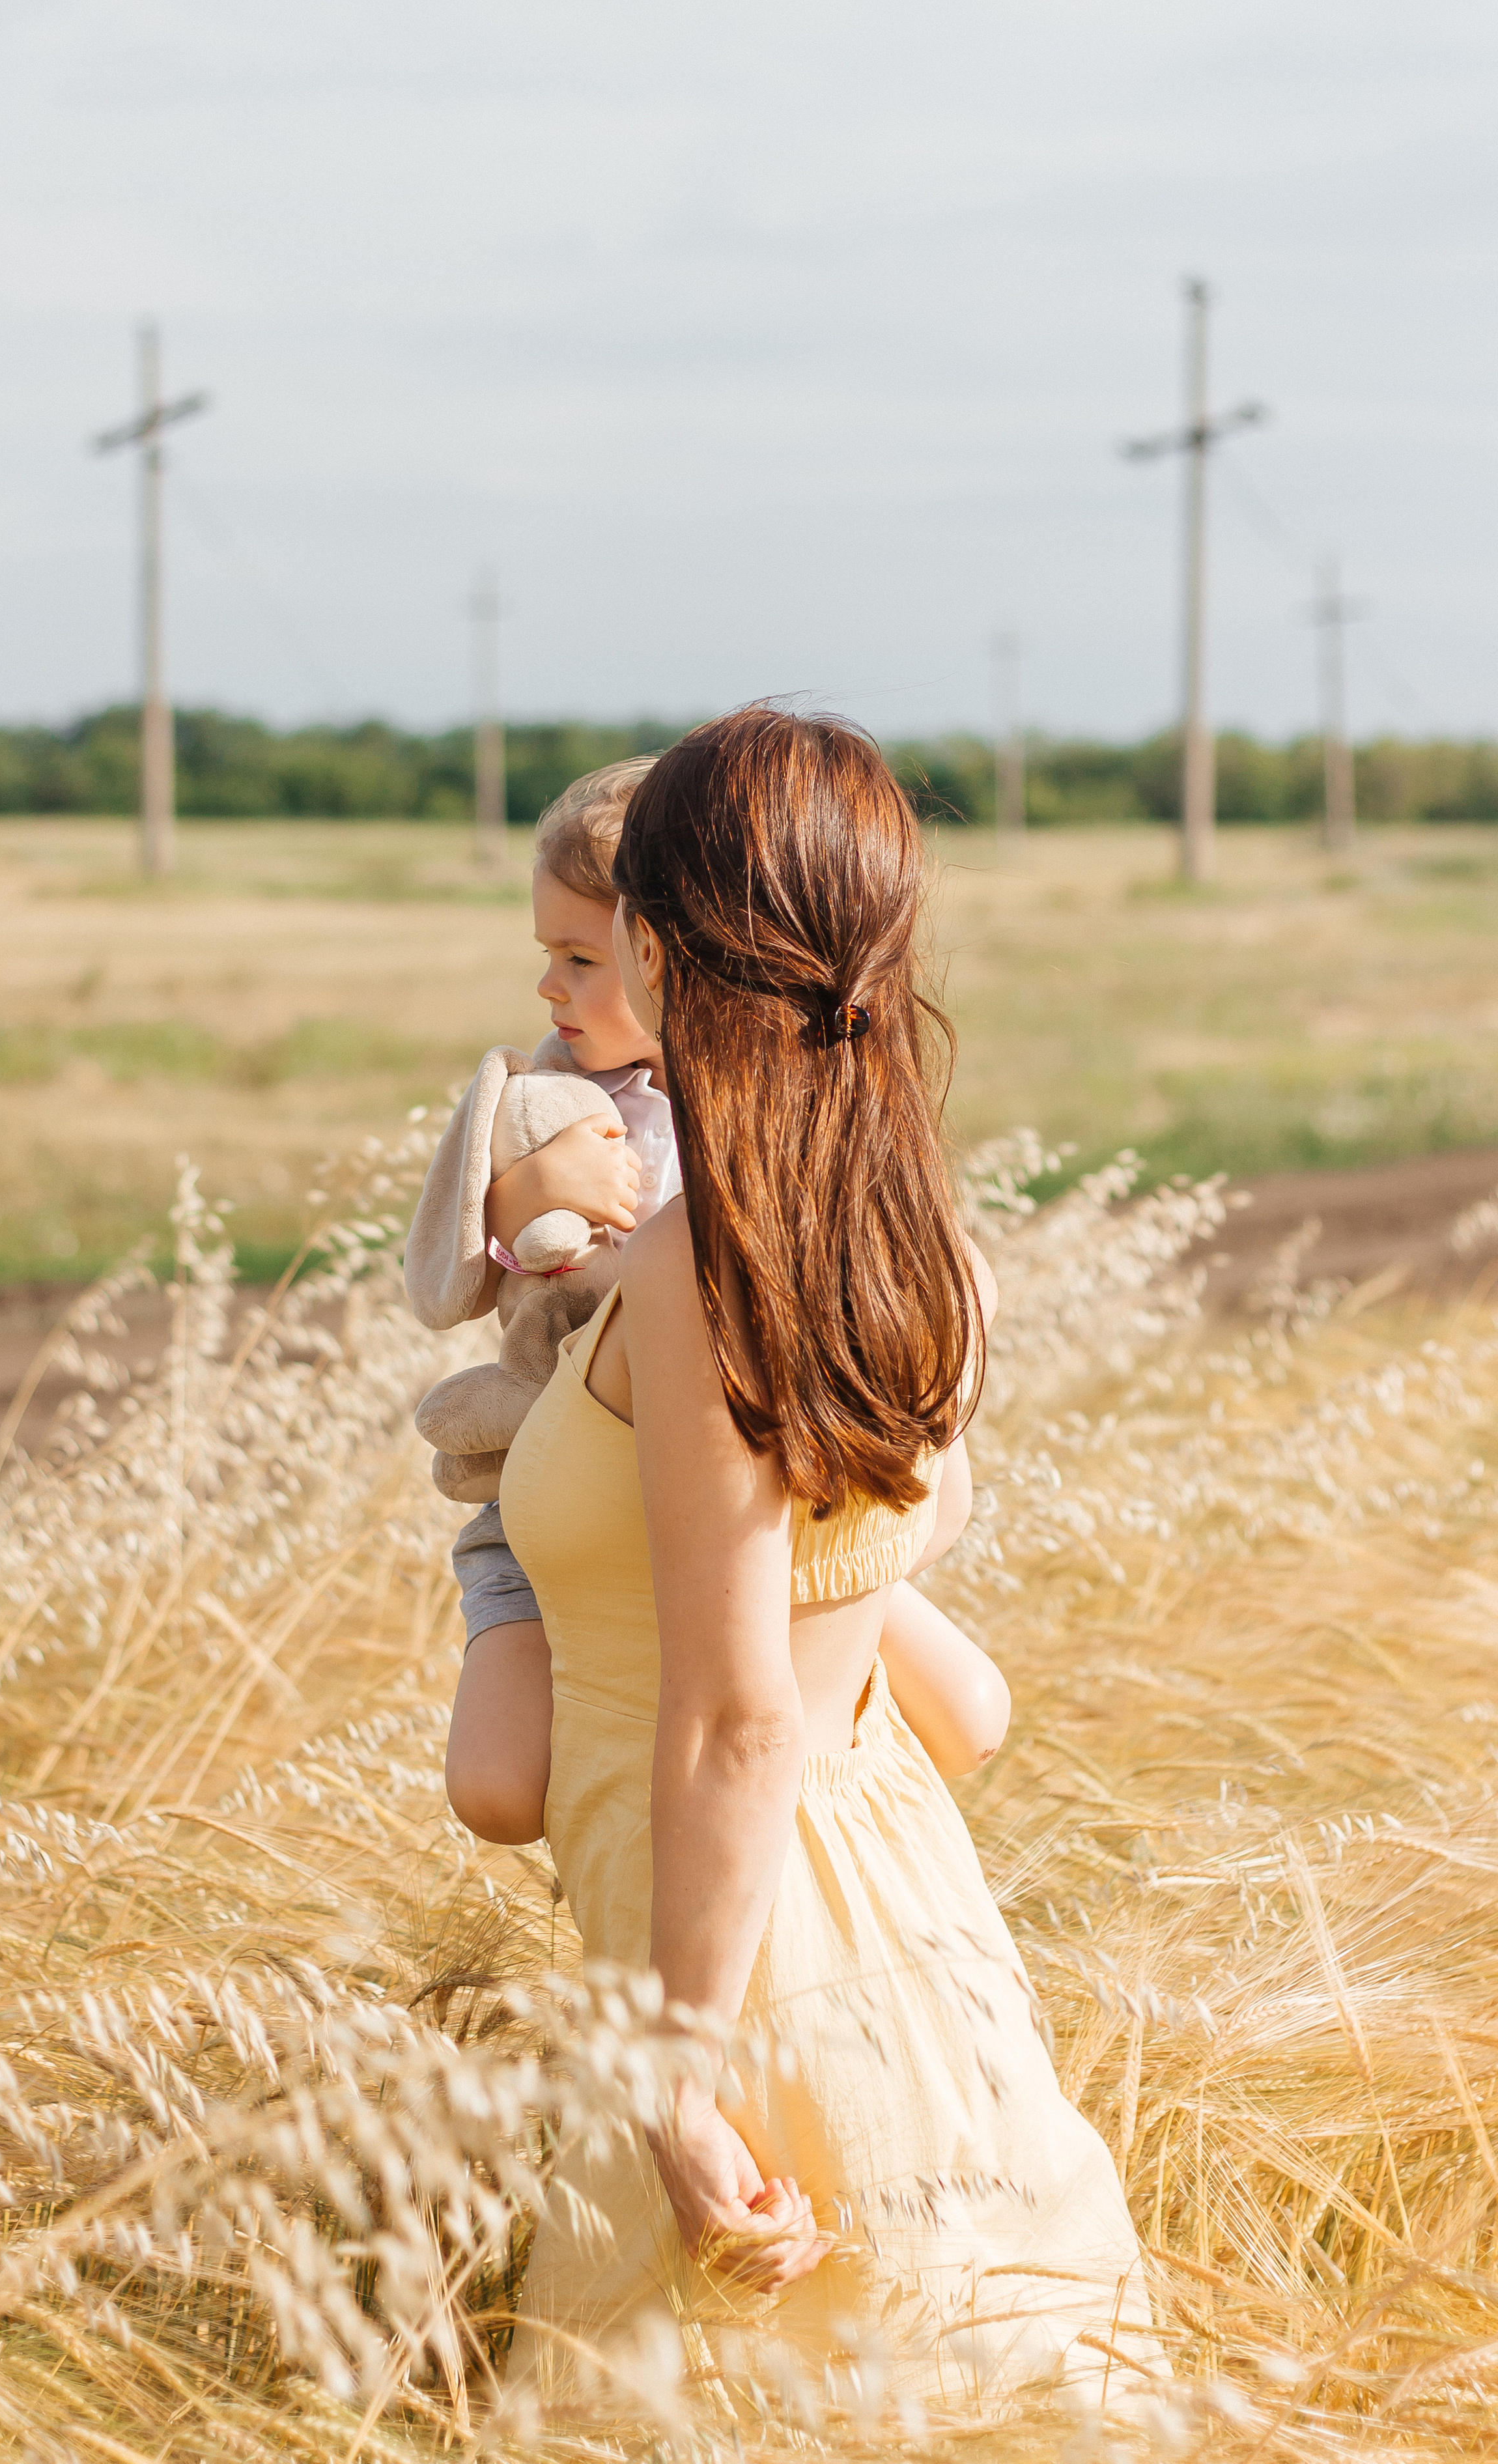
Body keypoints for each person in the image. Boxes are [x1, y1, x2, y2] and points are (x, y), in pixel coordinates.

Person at [496, 708, 1155, 2408]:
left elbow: (735, 1721)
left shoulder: (695, 1269)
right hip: (900, 1901)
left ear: (658, 943)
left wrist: (673, 2079)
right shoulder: (917, 1242)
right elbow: (870, 1579)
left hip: (736, 1964)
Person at [443, 765, 1011, 1846]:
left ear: (668, 952)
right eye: (545, 955)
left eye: (581, 959)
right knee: (500, 1787)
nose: (550, 987)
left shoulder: (792, 1106)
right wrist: (525, 1195)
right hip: (568, 1494)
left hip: (760, 1499)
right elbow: (455, 1261)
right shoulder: (550, 1100)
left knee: (971, 1717)